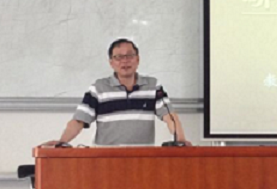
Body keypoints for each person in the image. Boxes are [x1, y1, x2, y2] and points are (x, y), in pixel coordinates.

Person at [43, 38, 190, 146]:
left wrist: (181, 141)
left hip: (142, 161)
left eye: (129, 56)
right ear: (111, 63)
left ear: (137, 59)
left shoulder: (153, 86)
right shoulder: (98, 88)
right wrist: (61, 142)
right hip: (106, 160)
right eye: (118, 57)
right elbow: (79, 121)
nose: (125, 61)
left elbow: (170, 117)